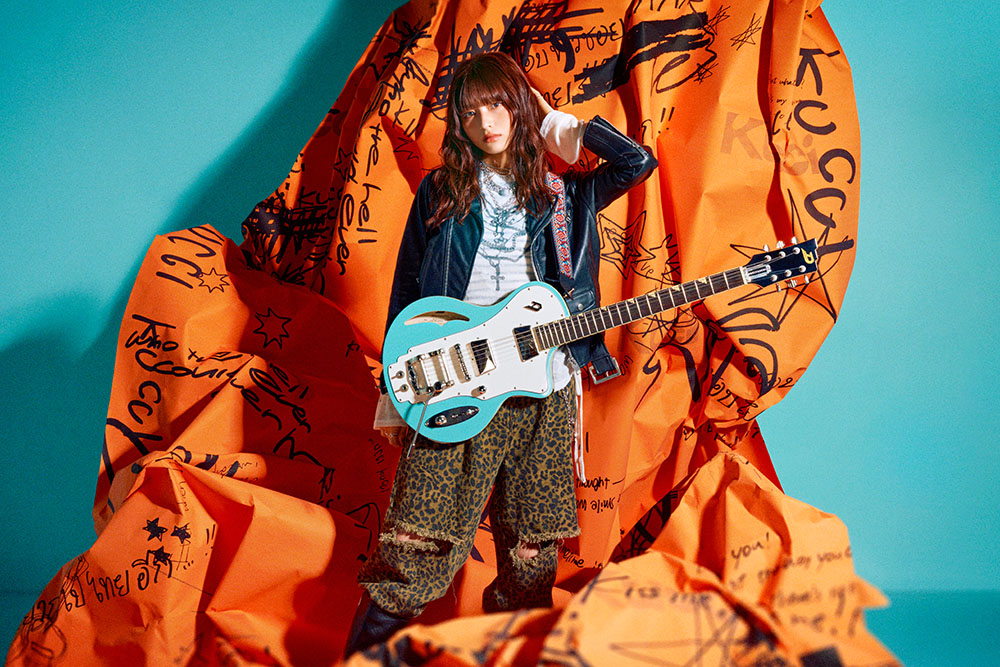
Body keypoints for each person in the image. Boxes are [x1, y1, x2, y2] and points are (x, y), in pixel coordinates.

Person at [345, 51, 656, 657]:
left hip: (545, 385)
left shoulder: (566, 195)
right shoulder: (440, 190)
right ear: (457, 123)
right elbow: (408, 290)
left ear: (518, 105)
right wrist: (393, 391)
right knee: (416, 545)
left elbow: (636, 162)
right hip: (455, 377)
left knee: (532, 554)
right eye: (470, 112)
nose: (485, 122)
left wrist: (557, 125)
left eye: (496, 105)